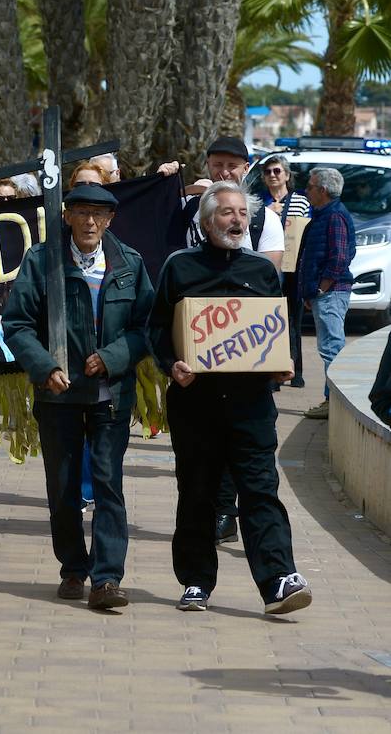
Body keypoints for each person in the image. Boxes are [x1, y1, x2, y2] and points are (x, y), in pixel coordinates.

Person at [149, 181, 311, 615]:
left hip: (251, 403)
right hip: (195, 402)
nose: (237, 220)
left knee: (261, 490)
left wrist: (284, 364)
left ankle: (278, 580)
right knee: (197, 492)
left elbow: (277, 330)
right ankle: (196, 581)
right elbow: (156, 327)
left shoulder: (261, 271)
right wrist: (171, 364)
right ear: (205, 221)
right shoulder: (178, 266)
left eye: (242, 213)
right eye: (227, 212)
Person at [2, 185, 154, 609]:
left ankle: (107, 580)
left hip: (111, 397)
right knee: (64, 487)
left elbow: (146, 327)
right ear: (67, 216)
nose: (90, 222)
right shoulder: (41, 260)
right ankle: (72, 568)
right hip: (58, 397)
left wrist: (112, 356)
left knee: (108, 486)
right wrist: (45, 366)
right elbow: (16, 324)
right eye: (82, 213)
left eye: (99, 214)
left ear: (110, 220)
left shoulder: (129, 263)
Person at [299, 167, 355, 420]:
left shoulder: (334, 217)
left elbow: (340, 258)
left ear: (322, 190)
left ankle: (335, 402)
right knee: (329, 347)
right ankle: (330, 400)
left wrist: (321, 288)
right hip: (324, 293)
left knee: (332, 348)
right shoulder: (324, 215)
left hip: (331, 293)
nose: (306, 191)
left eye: (310, 187)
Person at [180, 137, 283, 270]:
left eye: (232, 166)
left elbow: (267, 278)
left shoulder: (266, 219)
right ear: (208, 165)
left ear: (246, 168)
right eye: (218, 165)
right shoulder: (186, 208)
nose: (224, 173)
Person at [257, 155, 311, 391]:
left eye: (277, 171)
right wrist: (268, 211)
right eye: (268, 172)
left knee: (293, 322)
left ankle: (295, 371)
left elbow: (307, 230)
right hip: (267, 269)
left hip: (293, 270)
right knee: (270, 322)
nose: (272, 175)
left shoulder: (301, 201)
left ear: (287, 175)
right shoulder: (258, 202)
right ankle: (273, 372)